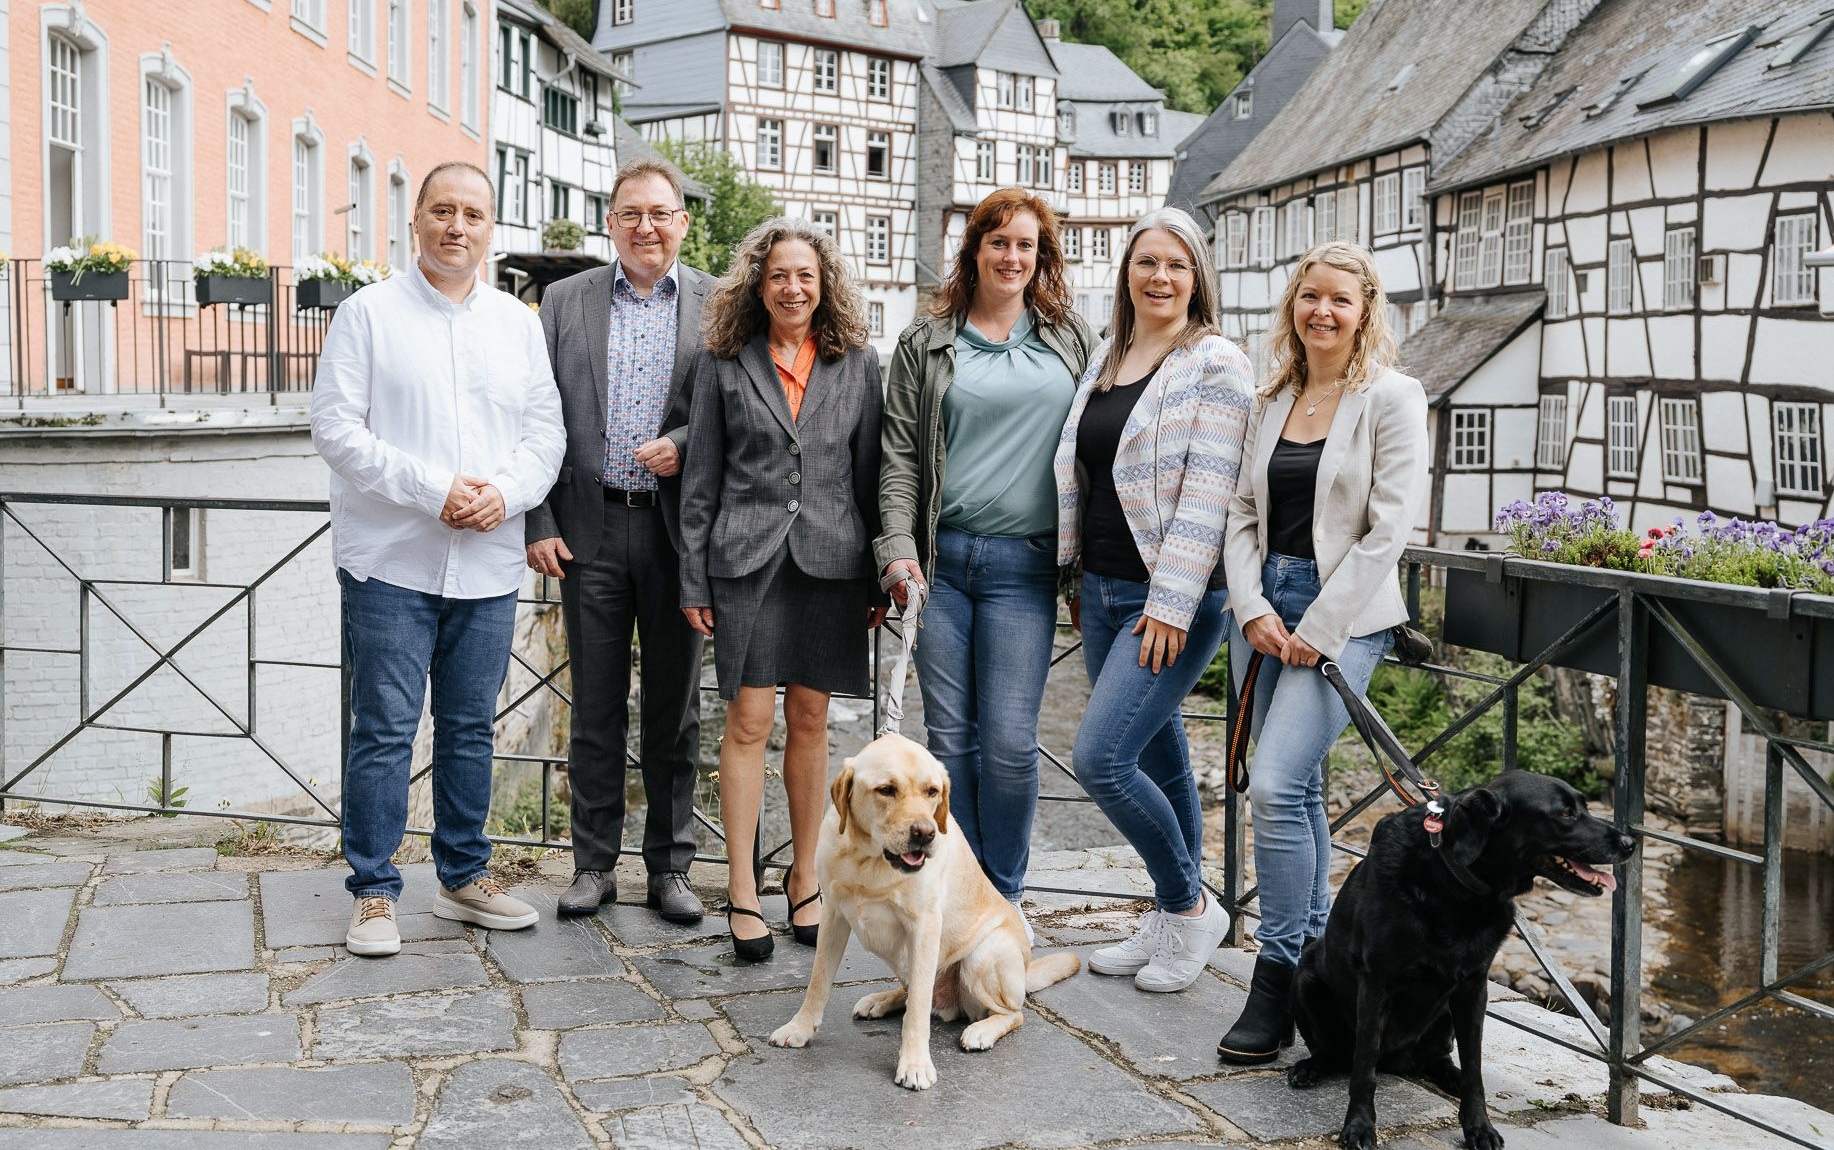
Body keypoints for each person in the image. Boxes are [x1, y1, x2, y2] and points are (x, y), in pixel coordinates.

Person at [310, 160, 565, 957]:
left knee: (468, 729)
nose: (458, 227)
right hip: (391, 561)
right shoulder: (368, 314)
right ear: (415, 218)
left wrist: (508, 493)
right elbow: (336, 430)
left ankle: (463, 877)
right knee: (384, 730)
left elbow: (544, 433)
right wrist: (434, 490)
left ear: (492, 229)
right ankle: (376, 892)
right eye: (443, 210)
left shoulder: (516, 324)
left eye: (474, 214)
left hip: (488, 561)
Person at [1214, 241, 1428, 1062]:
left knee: (1271, 783)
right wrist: (1254, 604)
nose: (1323, 312)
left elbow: (1390, 528)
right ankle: (1313, 965)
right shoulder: (1275, 396)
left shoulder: (1392, 397)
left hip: (1346, 614)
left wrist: (1318, 626)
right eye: (1310, 297)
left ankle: (1275, 973)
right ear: (1292, 305)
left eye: (1340, 299)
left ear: (1366, 309)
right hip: (1265, 608)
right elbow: (1240, 511)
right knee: (1294, 789)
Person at [877, 188, 1093, 928]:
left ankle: (1004, 897)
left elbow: (1103, 449)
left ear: (1042, 258)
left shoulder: (1071, 341)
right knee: (950, 747)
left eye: (1026, 245)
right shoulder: (927, 342)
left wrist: (1088, 563)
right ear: (974, 251)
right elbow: (899, 456)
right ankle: (951, 893)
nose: (1012, 257)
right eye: (998, 243)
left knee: (1008, 742)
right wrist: (897, 554)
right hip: (941, 567)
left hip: (1026, 569)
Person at [1055, 207, 1253, 992]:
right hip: (1102, 589)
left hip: (1169, 599)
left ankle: (1189, 905)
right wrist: (1074, 573)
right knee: (1160, 758)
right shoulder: (1110, 354)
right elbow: (1087, 471)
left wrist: (1170, 603)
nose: (1160, 277)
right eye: (1147, 262)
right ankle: (1173, 923)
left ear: (1197, 276)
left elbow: (1209, 494)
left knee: (1100, 758)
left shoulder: (1217, 364)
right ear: (1127, 273)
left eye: (1176, 264)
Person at [677, 218, 885, 961]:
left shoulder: (857, 364)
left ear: (823, 283)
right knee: (746, 721)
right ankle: (740, 889)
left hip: (832, 563)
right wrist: (692, 576)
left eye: (805, 275)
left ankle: (805, 880)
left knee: (810, 717)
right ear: (757, 287)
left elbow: (869, 477)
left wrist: (876, 577)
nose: (793, 288)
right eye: (778, 276)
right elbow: (699, 479)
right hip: (746, 562)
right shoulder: (725, 362)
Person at [524, 159, 713, 925]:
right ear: (611, 223)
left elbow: (744, 410)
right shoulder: (564, 303)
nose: (647, 227)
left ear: (683, 223)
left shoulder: (719, 304)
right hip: (588, 528)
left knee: (676, 711)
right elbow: (532, 417)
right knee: (596, 705)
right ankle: (593, 865)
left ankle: (669, 868)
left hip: (677, 533)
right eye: (631, 214)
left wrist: (686, 441)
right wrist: (537, 522)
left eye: (660, 214)